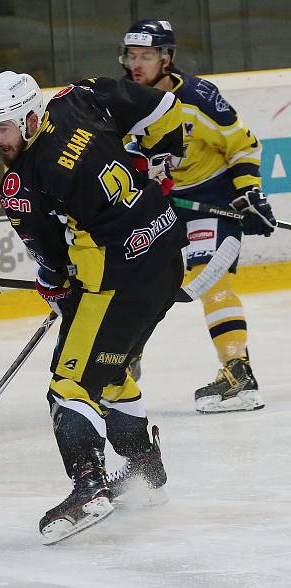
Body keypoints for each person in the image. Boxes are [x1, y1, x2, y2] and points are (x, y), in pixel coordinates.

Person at [0, 71, 187, 543]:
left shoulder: (22, 182)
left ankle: (89, 486)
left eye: (3, 128)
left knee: (70, 382)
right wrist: (161, 156)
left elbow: (52, 263)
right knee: (107, 367)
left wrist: (54, 284)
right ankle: (144, 466)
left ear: (29, 119)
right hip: (167, 252)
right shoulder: (78, 99)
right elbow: (164, 108)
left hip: (116, 279)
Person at [119, 19, 277, 412]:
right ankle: (122, 360)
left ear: (166, 58)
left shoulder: (200, 98)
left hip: (212, 197)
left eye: (147, 56)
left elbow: (242, 145)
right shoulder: (122, 102)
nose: (137, 64)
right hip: (166, 204)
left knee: (209, 277)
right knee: (141, 282)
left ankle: (238, 373)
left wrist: (249, 193)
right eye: (132, 56)